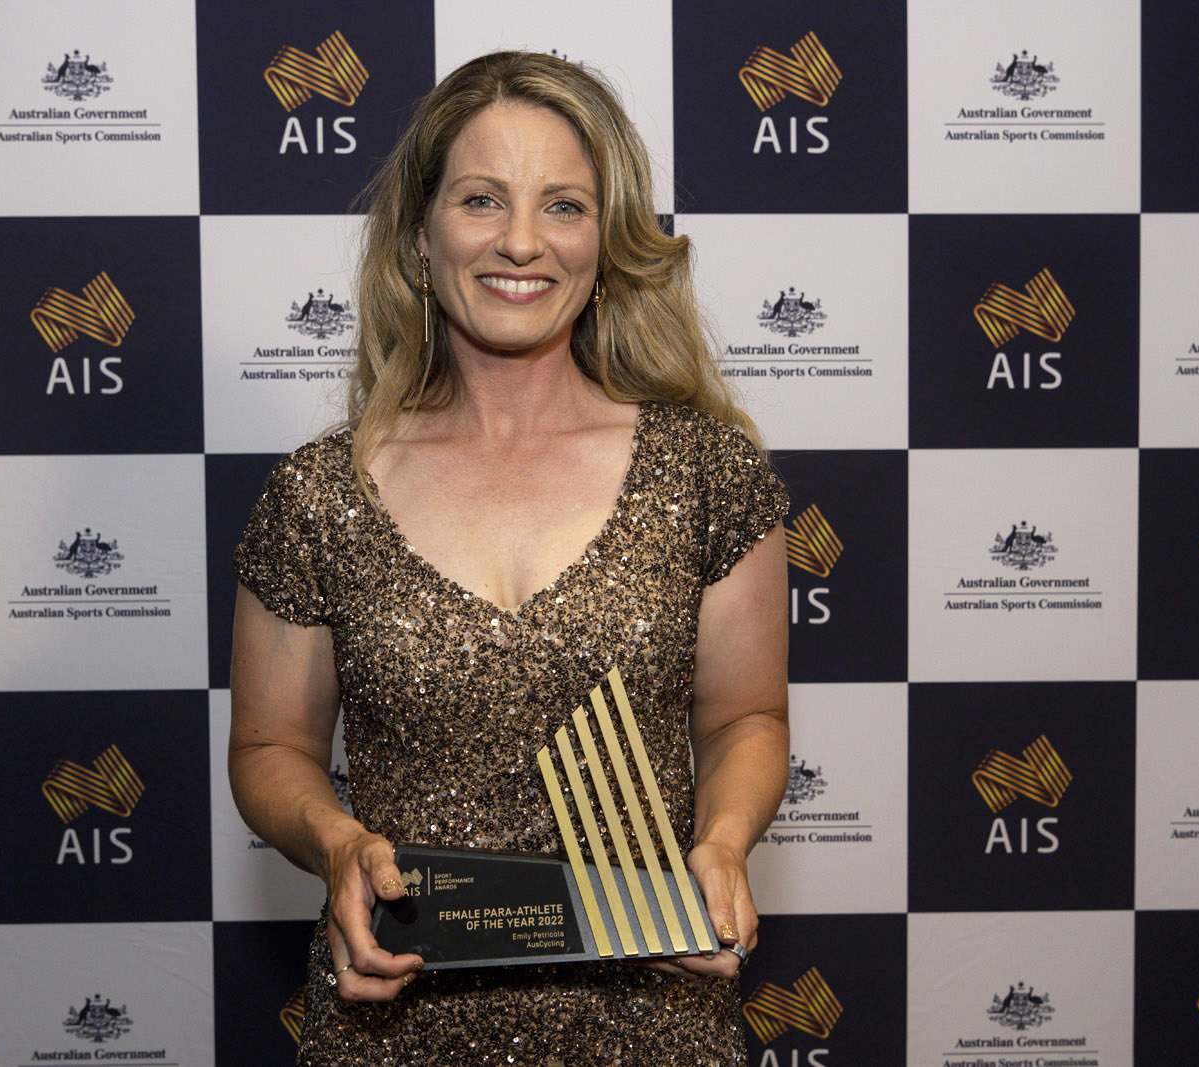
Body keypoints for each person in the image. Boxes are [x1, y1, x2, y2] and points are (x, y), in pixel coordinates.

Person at [231, 51, 789, 1065]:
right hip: (392, 1019)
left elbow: (745, 716)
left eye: (563, 205)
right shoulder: (319, 492)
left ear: (607, 239)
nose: (521, 241)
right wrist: (339, 842)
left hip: (652, 1015)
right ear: (420, 228)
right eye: (482, 199)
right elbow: (269, 749)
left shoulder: (708, 468)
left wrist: (720, 840)